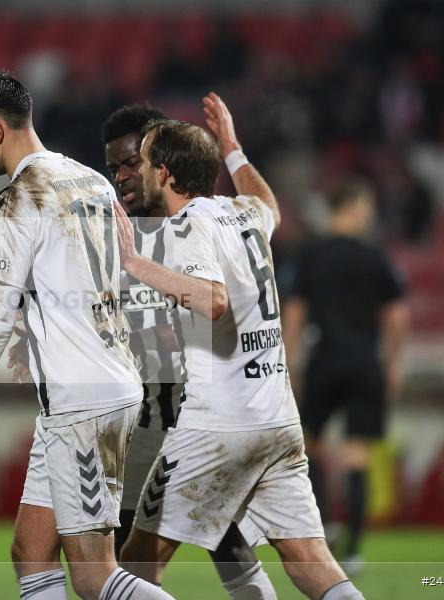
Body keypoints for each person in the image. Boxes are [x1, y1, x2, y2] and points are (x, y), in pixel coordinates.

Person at [0, 70, 175, 600]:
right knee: (31, 553)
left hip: (83, 400)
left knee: (94, 575)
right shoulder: (93, 181)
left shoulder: (18, 199)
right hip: (94, 389)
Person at [115, 93, 365, 600]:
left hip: (216, 426)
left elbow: (212, 300)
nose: (136, 171)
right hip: (276, 420)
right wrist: (233, 148)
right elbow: (271, 206)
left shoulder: (188, 224)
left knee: (135, 565)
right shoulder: (242, 212)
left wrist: (136, 265)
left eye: (142, 161)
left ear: (163, 173)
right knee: (311, 563)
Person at [102, 104, 275, 599]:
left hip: (199, 419)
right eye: (114, 167)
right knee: (209, 545)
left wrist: (233, 149)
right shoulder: (110, 237)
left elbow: (265, 218)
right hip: (141, 425)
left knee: (153, 558)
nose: (122, 176)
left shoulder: (205, 223)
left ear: (160, 165)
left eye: (132, 163)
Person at [282, 180, 408, 574]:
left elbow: (295, 315)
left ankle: (325, 525)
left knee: (310, 445)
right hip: (365, 364)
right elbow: (397, 317)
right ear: (351, 205)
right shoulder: (375, 257)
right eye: (366, 205)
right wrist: (392, 363)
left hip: (324, 361)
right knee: (357, 455)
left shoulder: (310, 256)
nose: (370, 213)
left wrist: (290, 366)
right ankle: (352, 552)